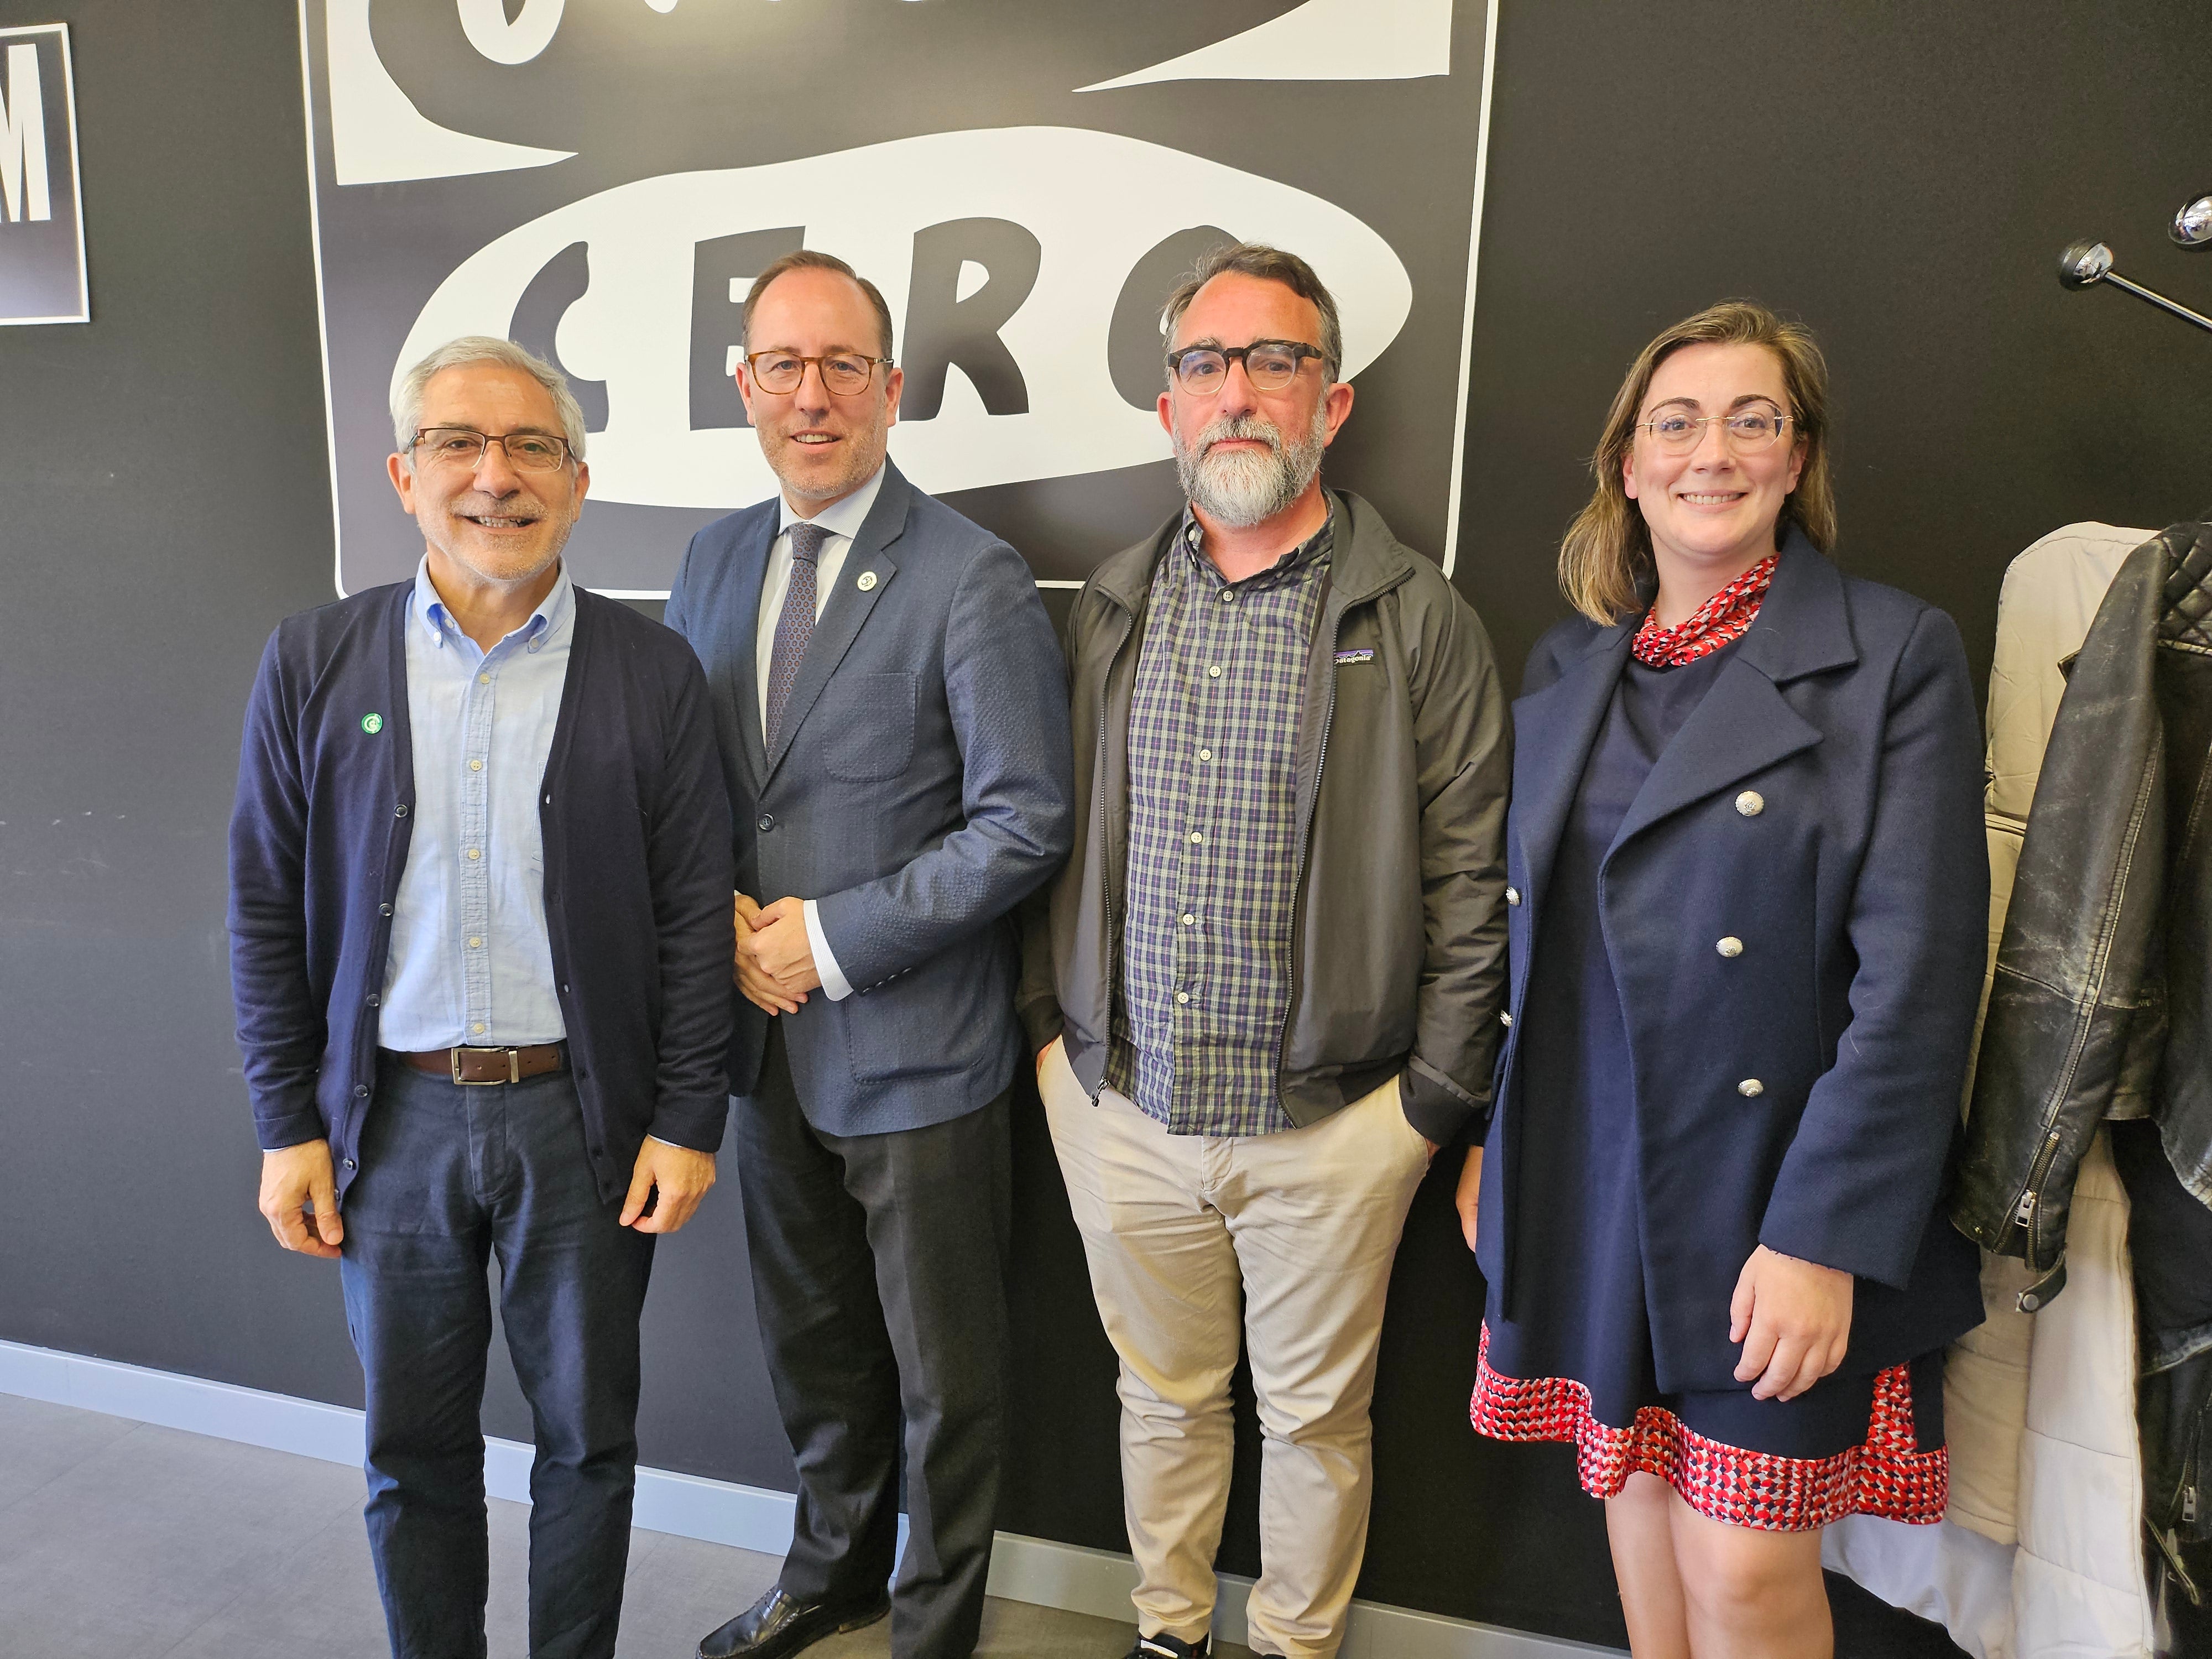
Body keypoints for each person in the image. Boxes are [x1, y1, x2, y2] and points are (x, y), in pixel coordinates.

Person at [1456, 300, 1986, 1658]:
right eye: (1675, 423)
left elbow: (1918, 979)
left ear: (1796, 459)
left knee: (1742, 1569)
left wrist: (1822, 1237)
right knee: (1633, 1504)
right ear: (1625, 466)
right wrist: (1490, 1147)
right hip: (1588, 1171)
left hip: (1772, 1191)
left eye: (1753, 420)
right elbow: (1539, 950)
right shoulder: (1571, 663)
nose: (1713, 452)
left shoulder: (1890, 656)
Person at [1020, 242, 1512, 1659]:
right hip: (1124, 1112)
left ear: (1329, 402)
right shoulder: (1108, 609)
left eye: (1273, 361)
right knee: (1159, 1400)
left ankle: (1295, 1644)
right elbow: (1042, 841)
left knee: (1314, 1420)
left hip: (1332, 1124)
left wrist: (1423, 1109)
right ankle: (1168, 1632)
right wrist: (1056, 1052)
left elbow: (1474, 879)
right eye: (1205, 365)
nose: (1236, 393)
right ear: (1169, 404)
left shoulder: (1415, 617)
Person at [229, 336, 735, 1659]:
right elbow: (265, 911)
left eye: (529, 449)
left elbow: (695, 917)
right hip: (387, 1130)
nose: (492, 478)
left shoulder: (652, 672)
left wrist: (688, 1121)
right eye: (457, 444)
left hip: (581, 1128)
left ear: (578, 481)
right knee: (413, 1453)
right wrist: (289, 1124)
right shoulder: (312, 663)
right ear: (404, 474)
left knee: (587, 1447)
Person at [663, 250, 1073, 1659]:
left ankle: (932, 1625)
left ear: (892, 389)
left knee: (944, 1382)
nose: (812, 395)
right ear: (745, 389)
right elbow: (693, 786)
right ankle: (828, 1569)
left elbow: (1025, 822)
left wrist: (830, 941)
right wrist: (714, 915)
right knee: (814, 1351)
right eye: (782, 366)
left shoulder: (973, 576)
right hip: (760, 1046)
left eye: (843, 366)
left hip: (917, 1054)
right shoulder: (714, 559)